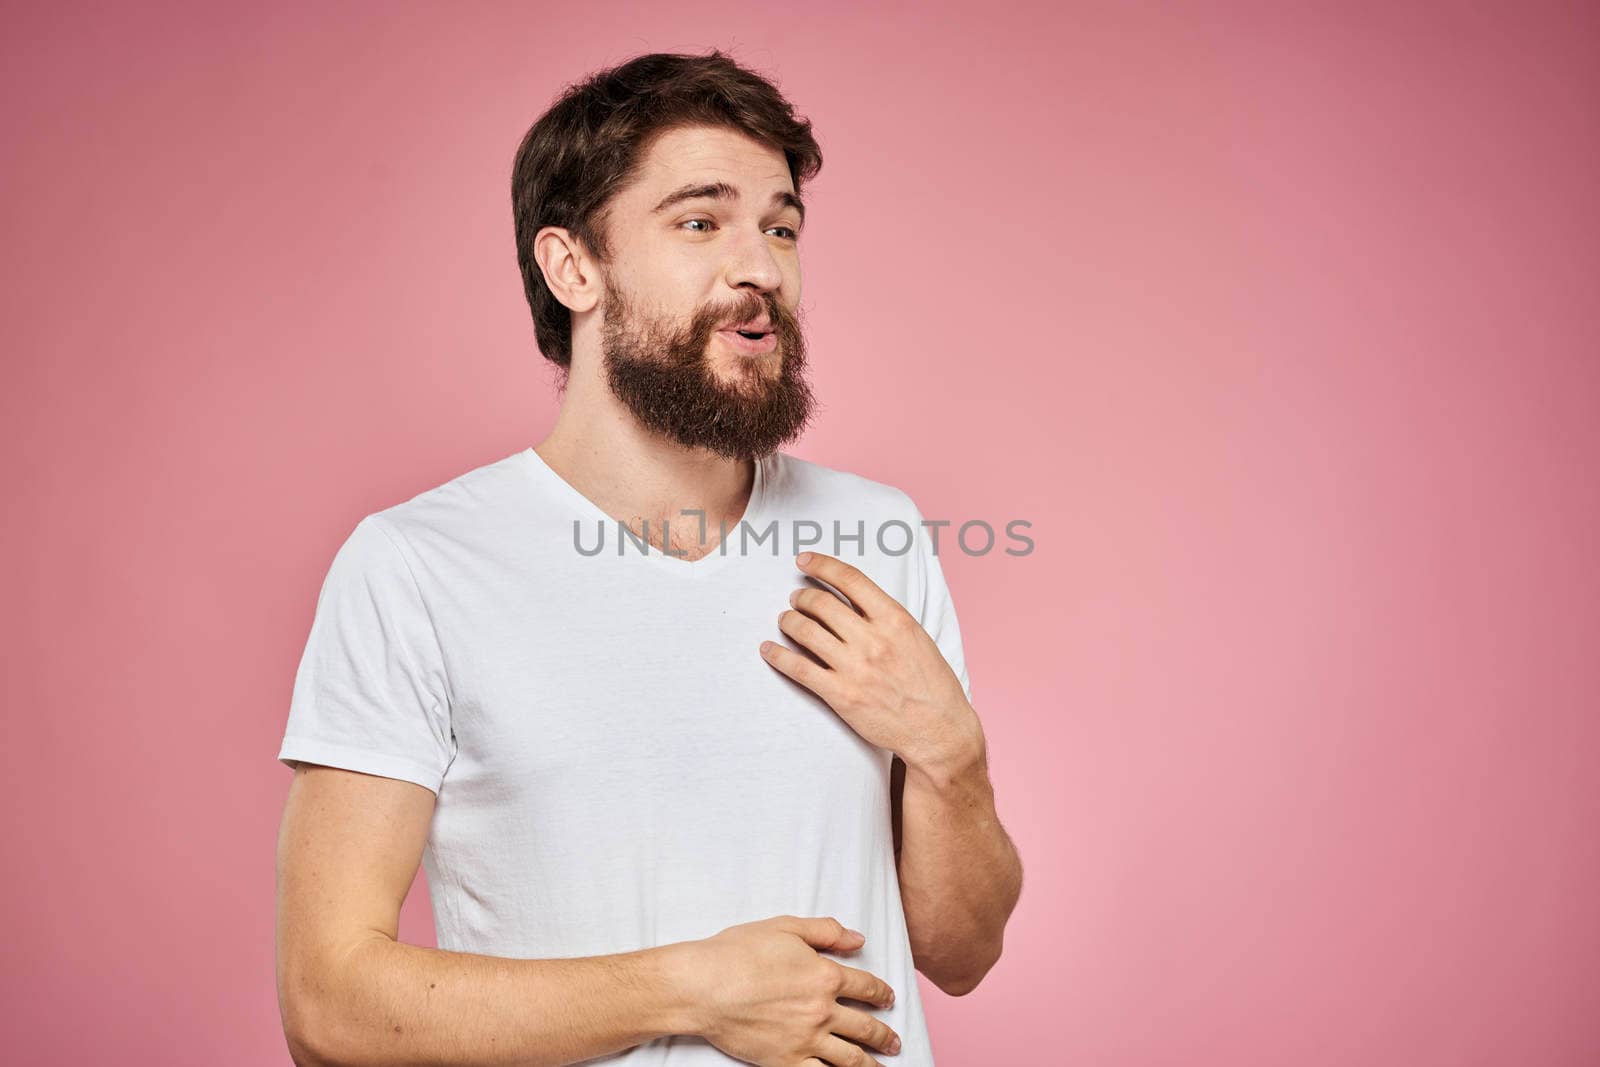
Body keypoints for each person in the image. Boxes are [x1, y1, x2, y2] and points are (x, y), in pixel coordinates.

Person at [273, 49, 1022, 1067]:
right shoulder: (415, 566)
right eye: (700, 221)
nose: (759, 267)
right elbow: (328, 1002)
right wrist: (693, 988)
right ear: (573, 266)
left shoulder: (871, 537)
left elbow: (961, 950)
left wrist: (953, 755)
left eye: (781, 227)